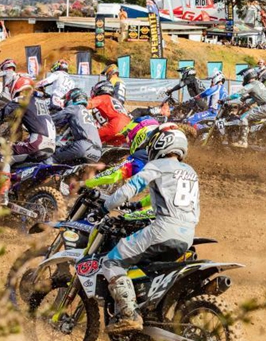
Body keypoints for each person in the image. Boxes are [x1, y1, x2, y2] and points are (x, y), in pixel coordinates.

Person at [101, 124, 199, 333]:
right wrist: (136, 205)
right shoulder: (190, 172)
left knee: (111, 261)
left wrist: (107, 204)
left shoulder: (159, 165)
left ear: (162, 142)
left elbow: (130, 188)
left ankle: (128, 315)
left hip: (163, 229)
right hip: (187, 235)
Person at [0, 75, 57, 165]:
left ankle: (5, 177)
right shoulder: (41, 102)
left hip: (37, 143)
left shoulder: (23, 99)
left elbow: (3, 113)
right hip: (51, 145)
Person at [49, 88, 102, 164]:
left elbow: (52, 119)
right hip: (97, 151)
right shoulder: (87, 113)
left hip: (83, 146)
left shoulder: (74, 108)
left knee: (52, 157)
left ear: (72, 99)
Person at [230, 68, 266, 148]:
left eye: (243, 76)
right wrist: (246, 105)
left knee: (243, 117)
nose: (243, 79)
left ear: (247, 75)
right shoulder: (258, 83)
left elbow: (237, 94)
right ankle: (252, 138)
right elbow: (256, 97)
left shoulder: (251, 85)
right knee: (250, 118)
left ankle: (243, 142)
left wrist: (224, 100)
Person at [89, 81, 131, 146]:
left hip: (116, 124)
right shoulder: (115, 100)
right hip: (128, 126)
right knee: (112, 143)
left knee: (89, 136)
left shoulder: (102, 97)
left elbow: (87, 104)